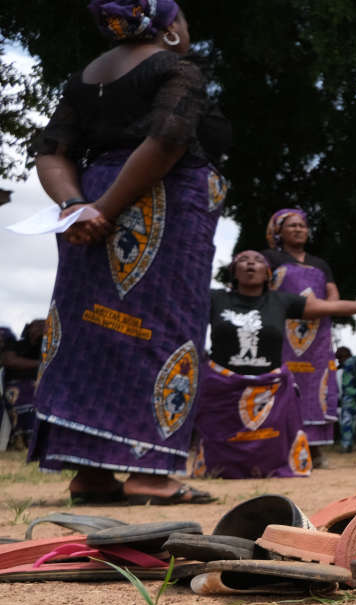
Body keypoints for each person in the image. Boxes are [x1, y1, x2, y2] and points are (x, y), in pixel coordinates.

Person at [30, 0, 229, 504]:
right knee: (163, 327)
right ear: (169, 28)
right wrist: (108, 208)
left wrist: (78, 207)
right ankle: (151, 475)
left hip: (90, 205)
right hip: (160, 204)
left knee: (88, 332)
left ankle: (90, 475)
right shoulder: (178, 68)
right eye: (185, 21)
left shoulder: (84, 78)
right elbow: (167, 141)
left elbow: (51, 152)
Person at [193, 251, 356, 478]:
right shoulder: (215, 299)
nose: (251, 262)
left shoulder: (280, 301)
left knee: (270, 452)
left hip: (268, 389)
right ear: (233, 272)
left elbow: (329, 307)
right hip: (223, 388)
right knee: (217, 457)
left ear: (268, 274)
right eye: (243, 259)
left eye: (258, 260)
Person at [263, 208, 340, 468]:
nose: (299, 230)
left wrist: (324, 308)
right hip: (282, 332)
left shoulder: (320, 264)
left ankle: (315, 451)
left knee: (315, 387)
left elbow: (333, 296)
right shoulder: (270, 258)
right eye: (292, 226)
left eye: (302, 226)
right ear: (279, 232)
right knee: (282, 384)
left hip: (317, 335)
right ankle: (279, 448)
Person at [2, 320, 45, 448]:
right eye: (38, 325)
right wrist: (40, 364)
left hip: (38, 386)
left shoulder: (46, 348)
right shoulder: (16, 345)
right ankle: (23, 438)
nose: (42, 328)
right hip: (16, 387)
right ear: (29, 328)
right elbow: (9, 361)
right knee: (24, 393)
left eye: (44, 325)